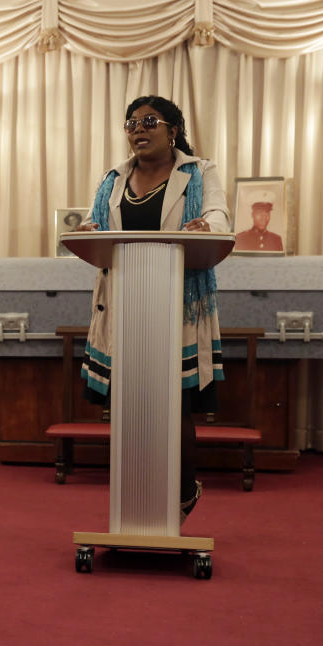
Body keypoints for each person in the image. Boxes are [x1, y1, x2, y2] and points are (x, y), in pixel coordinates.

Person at [75, 95, 232, 521]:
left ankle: (180, 495)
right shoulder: (112, 178)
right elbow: (95, 226)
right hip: (125, 306)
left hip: (176, 306)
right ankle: (133, 504)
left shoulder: (199, 172)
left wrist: (208, 226)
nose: (138, 130)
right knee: (128, 402)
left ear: (172, 130)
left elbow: (219, 216)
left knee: (174, 404)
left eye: (149, 121)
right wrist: (90, 230)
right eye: (131, 124)